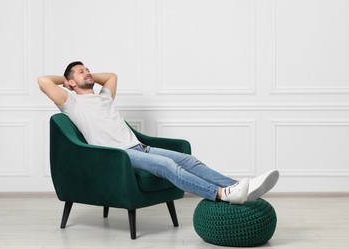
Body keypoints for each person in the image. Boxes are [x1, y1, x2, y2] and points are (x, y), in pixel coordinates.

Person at [38, 61, 279, 205]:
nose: (88, 73)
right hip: (118, 155)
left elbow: (111, 76)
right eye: (82, 72)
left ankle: (238, 186)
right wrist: (67, 78)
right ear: (70, 83)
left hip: (140, 148)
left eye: (88, 69)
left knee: (188, 160)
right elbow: (43, 81)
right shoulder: (71, 103)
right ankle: (221, 194)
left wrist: (83, 75)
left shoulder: (104, 97)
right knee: (167, 166)